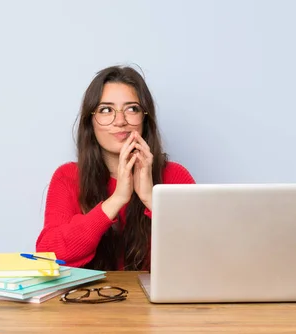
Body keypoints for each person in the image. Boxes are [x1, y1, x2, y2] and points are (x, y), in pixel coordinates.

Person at [35, 65, 195, 271]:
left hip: (158, 302)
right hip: (88, 300)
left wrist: (150, 198)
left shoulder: (174, 175)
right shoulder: (68, 177)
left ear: (145, 119)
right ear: (90, 122)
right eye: (106, 110)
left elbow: (203, 250)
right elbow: (48, 255)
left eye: (132, 109)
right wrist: (117, 199)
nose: (120, 121)